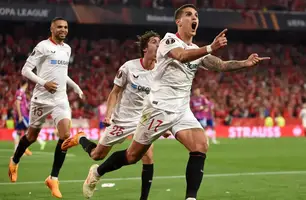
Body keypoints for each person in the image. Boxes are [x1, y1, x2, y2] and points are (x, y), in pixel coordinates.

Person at [80, 4, 270, 200]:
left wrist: (245, 63)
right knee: (132, 156)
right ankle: (97, 172)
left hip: (181, 110)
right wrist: (211, 47)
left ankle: (190, 198)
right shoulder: (168, 41)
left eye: (196, 15)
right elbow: (181, 56)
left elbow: (220, 65)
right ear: (179, 21)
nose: (193, 17)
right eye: (188, 15)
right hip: (157, 109)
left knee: (200, 145)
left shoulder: (197, 50)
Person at [61, 31, 162, 200]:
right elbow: (115, 93)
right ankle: (82, 140)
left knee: (148, 155)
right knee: (97, 155)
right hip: (122, 119)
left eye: (160, 42)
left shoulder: (160, 71)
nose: (158, 45)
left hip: (143, 118)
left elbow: (159, 97)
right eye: (154, 42)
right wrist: (108, 115)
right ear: (145, 48)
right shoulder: (128, 68)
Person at [8, 17, 84, 199]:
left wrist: (76, 87)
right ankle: (15, 159)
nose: (63, 30)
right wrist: (44, 83)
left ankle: (53, 178)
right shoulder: (42, 46)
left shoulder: (67, 49)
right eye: (59, 27)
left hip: (60, 99)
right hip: (41, 99)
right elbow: (25, 70)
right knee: (31, 137)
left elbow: (62, 74)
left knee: (66, 136)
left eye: (65, 27)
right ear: (52, 28)